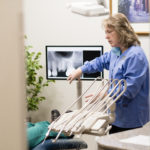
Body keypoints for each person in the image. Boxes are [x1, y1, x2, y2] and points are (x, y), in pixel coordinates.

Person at [67, 13, 150, 134]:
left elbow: (128, 90)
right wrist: (81, 70)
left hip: (131, 121)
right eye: (105, 32)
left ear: (122, 32)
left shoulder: (136, 56)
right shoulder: (116, 52)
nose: (106, 37)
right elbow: (100, 62)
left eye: (109, 32)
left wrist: (104, 95)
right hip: (115, 117)